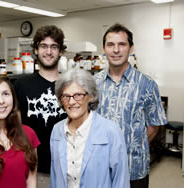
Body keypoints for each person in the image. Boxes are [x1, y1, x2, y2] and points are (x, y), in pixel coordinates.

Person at [95, 23, 167, 188]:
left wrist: (133, 146)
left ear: (131, 48)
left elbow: (154, 126)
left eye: (122, 44)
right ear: (104, 48)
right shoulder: (93, 83)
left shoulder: (147, 84)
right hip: (101, 168)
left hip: (135, 169)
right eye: (111, 44)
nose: (116, 50)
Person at [50, 69, 129, 188]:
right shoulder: (57, 130)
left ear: (91, 96)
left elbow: (121, 181)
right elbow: (55, 178)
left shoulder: (110, 131)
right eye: (66, 96)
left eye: (78, 95)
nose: (71, 102)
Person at [14, 25, 67, 174]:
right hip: (33, 168)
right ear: (36, 50)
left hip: (68, 168)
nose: (48, 52)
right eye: (43, 46)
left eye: (54, 47)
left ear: (61, 51)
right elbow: (15, 128)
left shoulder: (70, 85)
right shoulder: (21, 85)